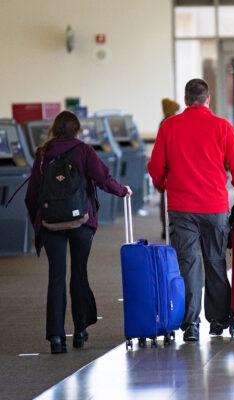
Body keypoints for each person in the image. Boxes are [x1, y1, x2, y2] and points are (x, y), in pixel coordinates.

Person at [148, 79, 234, 341]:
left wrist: (161, 185)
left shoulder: (170, 126)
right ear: (208, 99)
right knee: (215, 263)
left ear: (185, 99)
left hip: (182, 209)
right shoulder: (222, 127)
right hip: (214, 208)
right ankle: (218, 320)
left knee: (189, 266)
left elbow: (156, 165)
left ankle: (191, 324)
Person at [24, 111, 131, 354]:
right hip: (81, 222)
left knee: (56, 277)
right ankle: (81, 330)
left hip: (51, 224)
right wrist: (122, 191)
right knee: (79, 273)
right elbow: (103, 179)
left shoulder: (42, 154)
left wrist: (38, 222)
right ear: (77, 129)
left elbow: (31, 195)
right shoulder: (84, 150)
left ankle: (56, 338)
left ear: (54, 129)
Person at [159, 98, 180, 240]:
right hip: (173, 167)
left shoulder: (165, 122)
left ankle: (166, 227)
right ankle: (168, 227)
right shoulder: (172, 122)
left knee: (165, 198)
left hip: (167, 167)